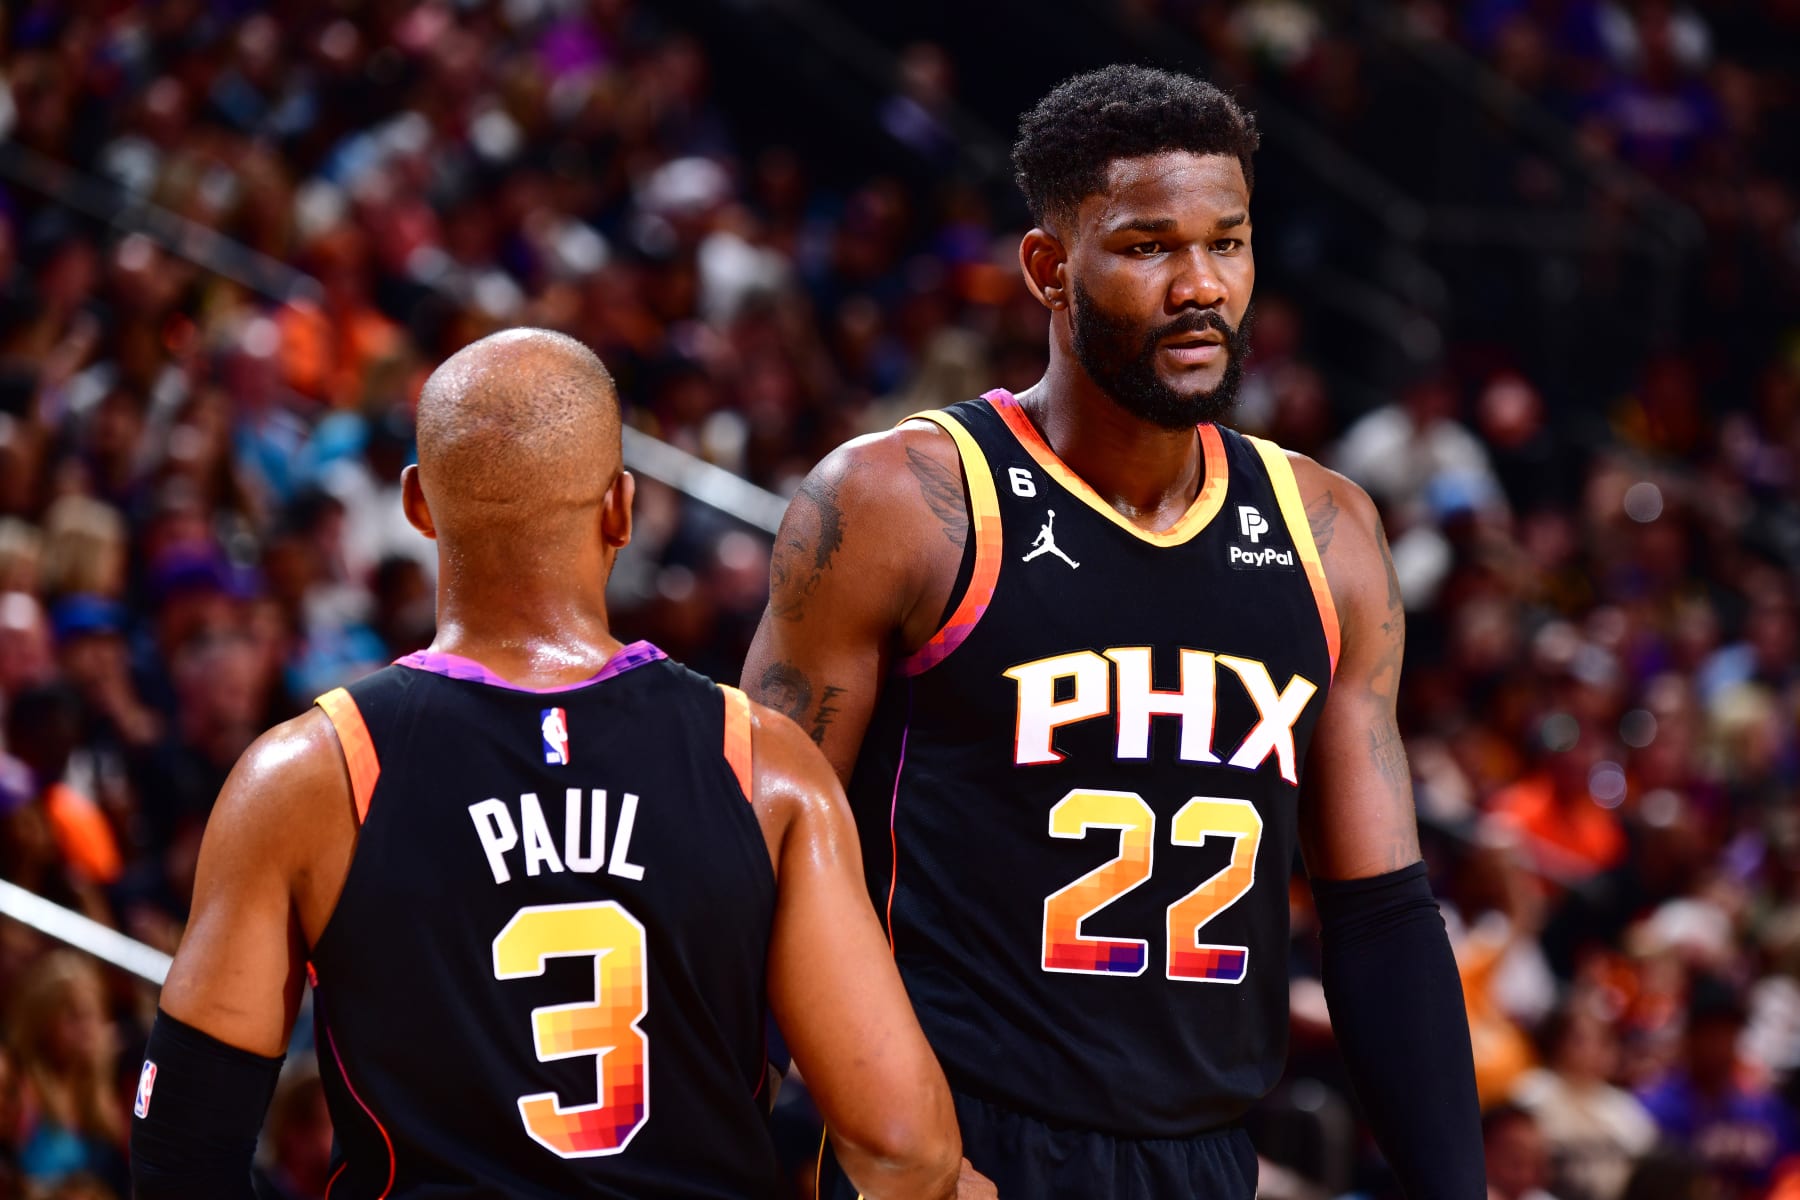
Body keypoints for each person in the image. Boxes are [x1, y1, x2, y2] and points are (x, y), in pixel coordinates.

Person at [744, 64, 1484, 1198]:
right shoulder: (897, 505)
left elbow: (1379, 912)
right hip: (953, 1145)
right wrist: (876, 1141)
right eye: (1148, 247)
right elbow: (758, 868)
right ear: (1049, 269)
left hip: (1205, 1156)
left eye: (1227, 244)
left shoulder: (1326, 530)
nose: (1200, 286)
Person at [131, 329, 978, 1200]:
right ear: (621, 507)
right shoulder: (763, 764)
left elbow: (183, 1158)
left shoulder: (310, 775)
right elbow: (905, 1146)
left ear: (420, 505)